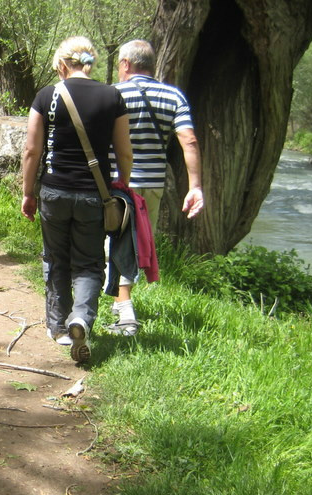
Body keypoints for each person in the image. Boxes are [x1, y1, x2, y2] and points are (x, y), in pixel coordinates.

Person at [21, 36, 132, 363]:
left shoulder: (47, 95)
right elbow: (123, 149)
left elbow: (31, 150)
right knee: (88, 262)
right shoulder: (113, 95)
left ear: (61, 65)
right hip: (93, 195)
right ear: (91, 63)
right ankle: (81, 318)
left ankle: (57, 327)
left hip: (53, 191)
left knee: (56, 258)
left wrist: (28, 193)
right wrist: (124, 183)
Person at [107, 39, 204, 335]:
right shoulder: (173, 95)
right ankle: (121, 300)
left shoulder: (113, 93)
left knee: (115, 242)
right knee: (137, 244)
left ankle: (125, 314)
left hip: (116, 182)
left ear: (126, 64)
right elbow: (188, 140)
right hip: (152, 183)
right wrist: (195, 186)